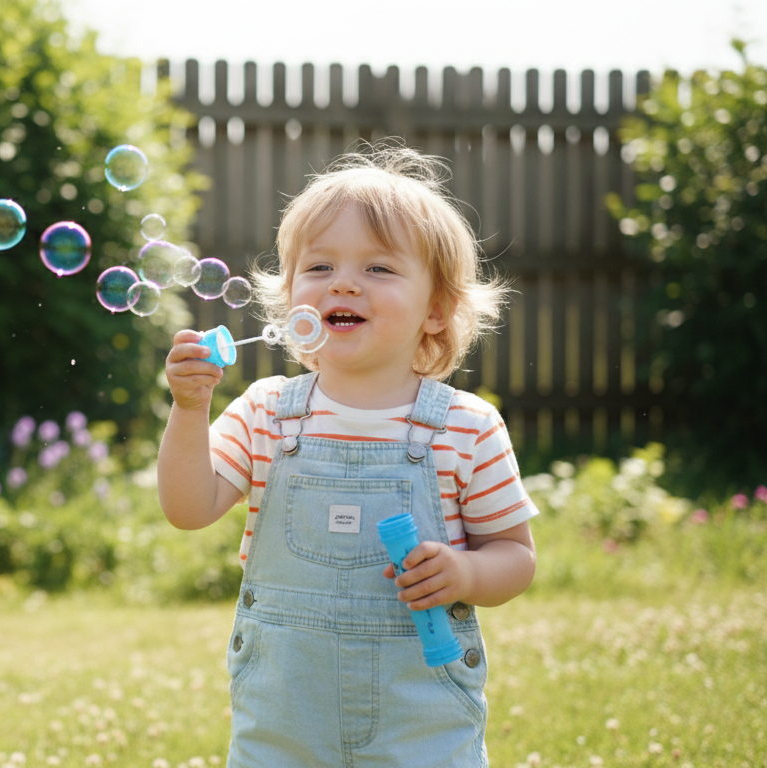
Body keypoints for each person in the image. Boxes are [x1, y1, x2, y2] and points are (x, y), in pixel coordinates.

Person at [158, 142, 538, 767]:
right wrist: (189, 408)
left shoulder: (467, 427)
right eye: (319, 267)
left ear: (437, 311)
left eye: (379, 269)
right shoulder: (266, 411)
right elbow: (187, 507)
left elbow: (516, 557)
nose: (343, 282)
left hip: (422, 726)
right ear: (290, 299)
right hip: (282, 723)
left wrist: (466, 574)